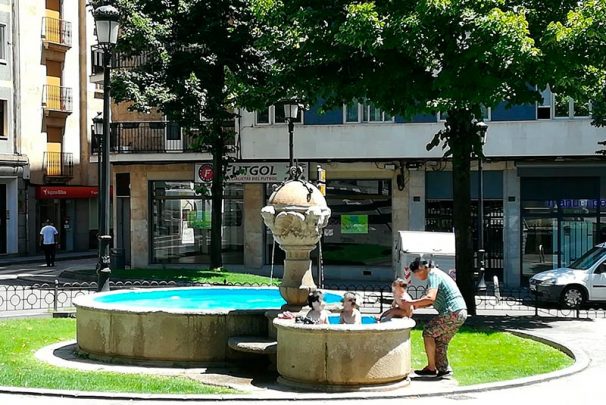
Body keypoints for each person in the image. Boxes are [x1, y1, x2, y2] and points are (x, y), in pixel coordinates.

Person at [404, 258, 467, 378]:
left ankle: (431, 368)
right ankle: (444, 370)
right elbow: (429, 302)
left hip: (452, 312)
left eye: (416, 273)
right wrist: (415, 306)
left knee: (428, 332)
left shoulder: (433, 274)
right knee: (440, 341)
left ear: (422, 268)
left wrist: (410, 303)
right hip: (460, 312)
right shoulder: (437, 274)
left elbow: (430, 298)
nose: (416, 276)